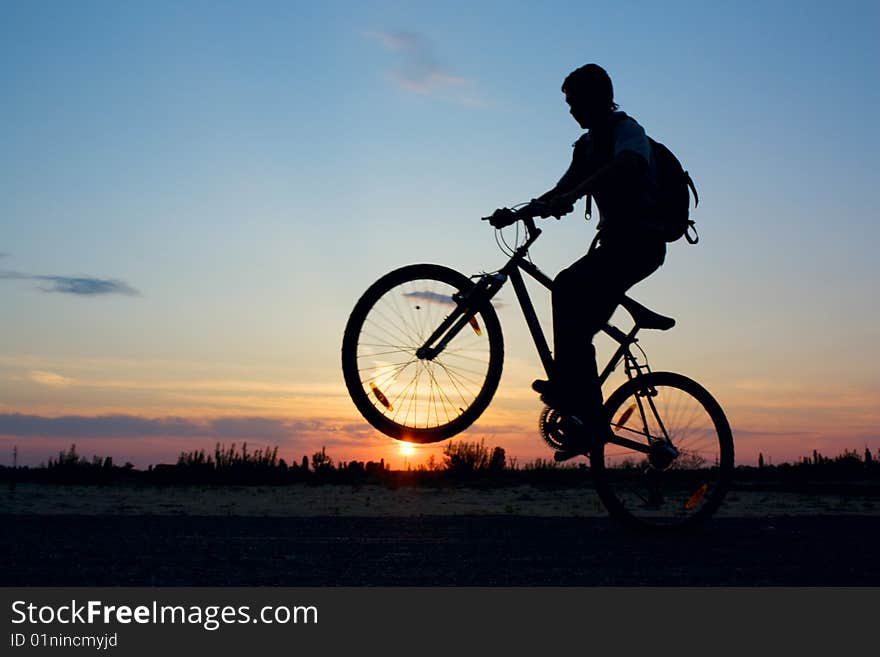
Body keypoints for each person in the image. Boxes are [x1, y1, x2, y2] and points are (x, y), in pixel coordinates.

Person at [489, 63, 666, 461]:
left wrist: (578, 191)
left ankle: (574, 397)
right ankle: (588, 422)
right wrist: (518, 214)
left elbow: (627, 166)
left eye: (575, 102)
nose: (570, 111)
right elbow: (562, 189)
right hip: (616, 245)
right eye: (567, 104)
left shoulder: (627, 132)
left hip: (642, 243)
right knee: (578, 321)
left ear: (598, 98)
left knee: (567, 286)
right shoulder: (585, 147)